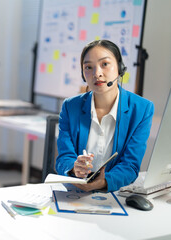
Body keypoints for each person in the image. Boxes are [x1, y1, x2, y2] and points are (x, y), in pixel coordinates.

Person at [55, 40, 154, 192]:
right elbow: (64, 158)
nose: (97, 74)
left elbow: (130, 165)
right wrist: (74, 169)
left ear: (120, 69)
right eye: (88, 67)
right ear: (83, 74)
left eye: (105, 64)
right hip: (75, 193)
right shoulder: (70, 107)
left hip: (114, 194)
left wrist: (104, 181)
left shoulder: (141, 109)